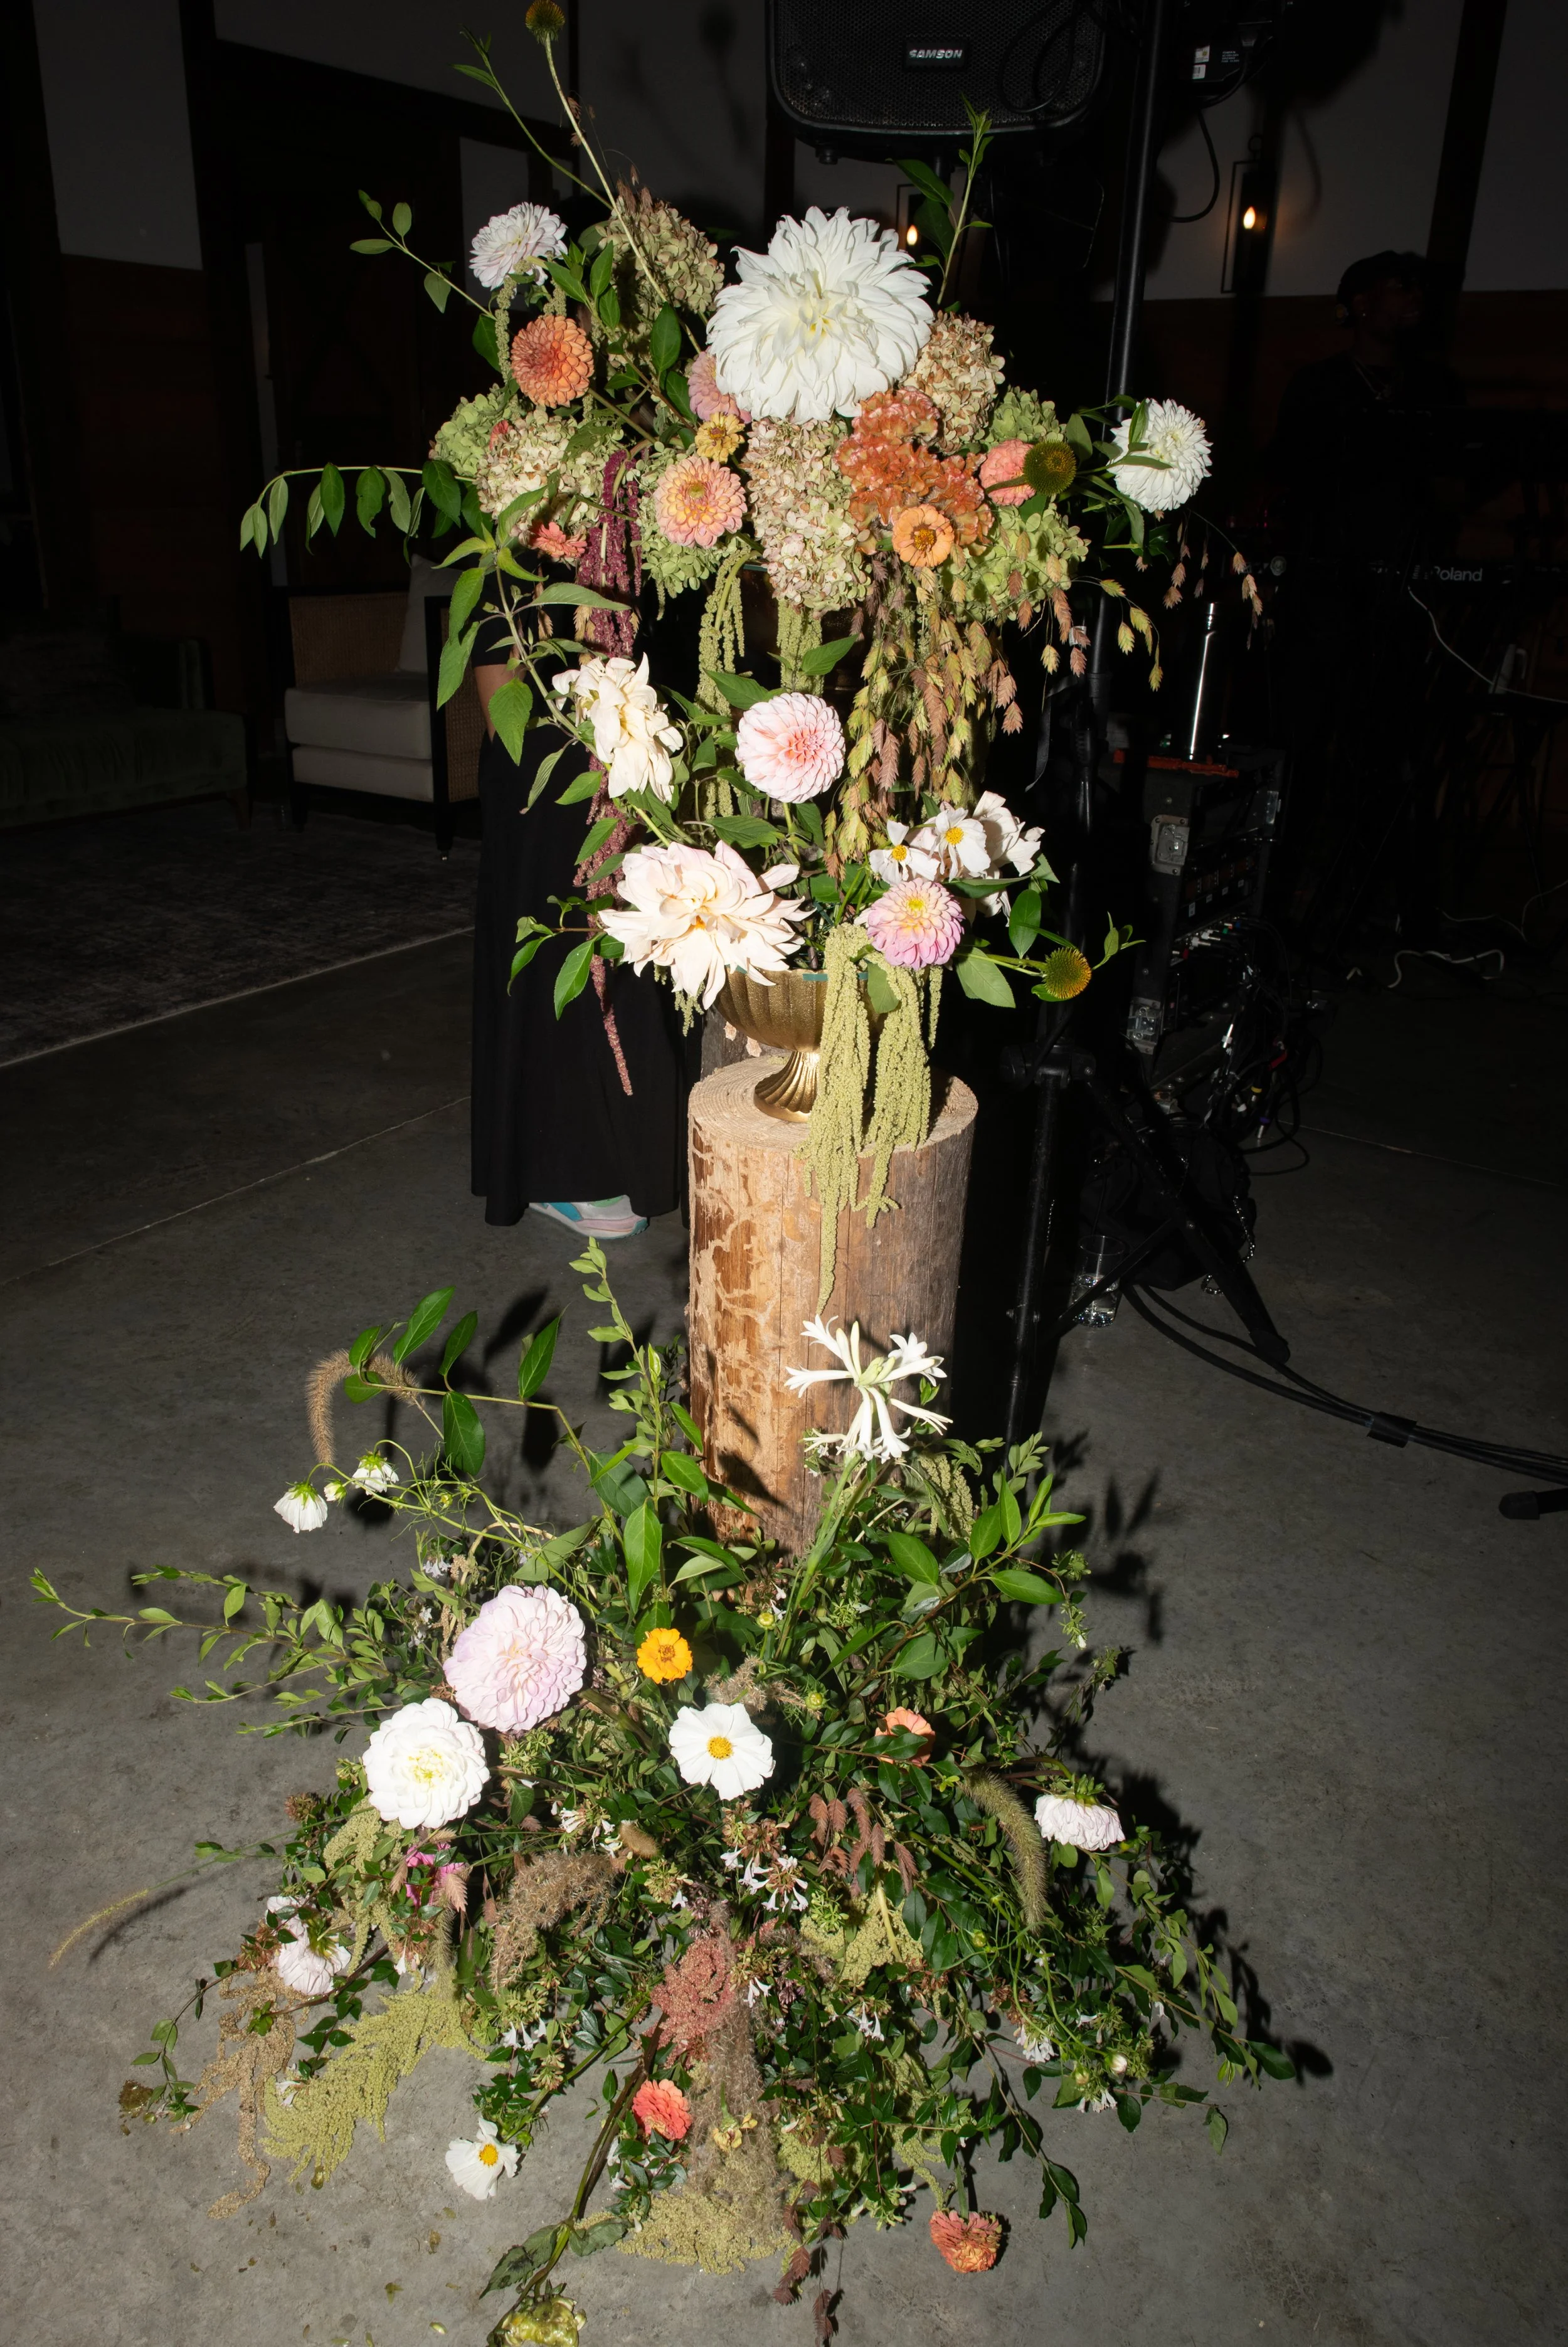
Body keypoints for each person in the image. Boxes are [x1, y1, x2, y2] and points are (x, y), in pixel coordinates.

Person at [469, 608, 691, 1241]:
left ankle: (626, 1159)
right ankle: (563, 1172)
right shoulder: (512, 586)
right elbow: (506, 725)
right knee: (560, 960)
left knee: (629, 955)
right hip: (551, 780)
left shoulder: (624, 570)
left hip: (626, 768)